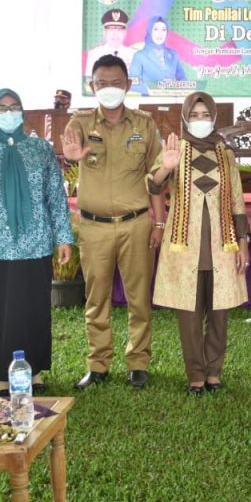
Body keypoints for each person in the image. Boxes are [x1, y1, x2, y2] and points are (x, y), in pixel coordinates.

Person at [0, 88, 73, 397]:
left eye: (15, 106)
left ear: (23, 111)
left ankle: (33, 373)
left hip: (34, 241)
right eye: (3, 107)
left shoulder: (40, 149)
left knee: (33, 308)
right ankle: (0, 377)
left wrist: (63, 236)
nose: (9, 112)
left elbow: (55, 196)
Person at [62, 55, 166, 390]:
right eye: (102, 83)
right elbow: (69, 154)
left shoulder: (144, 125)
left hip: (136, 223)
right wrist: (71, 158)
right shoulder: (78, 124)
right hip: (93, 227)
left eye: (116, 82)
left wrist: (159, 223)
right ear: (92, 86)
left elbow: (156, 177)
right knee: (96, 299)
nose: (109, 88)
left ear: (128, 84)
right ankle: (98, 364)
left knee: (138, 298)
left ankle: (138, 362)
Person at [147, 92, 250, 394]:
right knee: (189, 315)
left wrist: (243, 242)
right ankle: (195, 375)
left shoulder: (225, 154)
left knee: (219, 312)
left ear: (215, 118)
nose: (201, 121)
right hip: (185, 246)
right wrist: (167, 166)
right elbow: (153, 184)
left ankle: (214, 373)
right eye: (195, 115)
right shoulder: (174, 149)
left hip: (222, 246)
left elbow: (237, 201)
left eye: (206, 116)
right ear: (185, 118)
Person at [130, 16, 187, 95]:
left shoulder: (173, 54)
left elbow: (184, 79)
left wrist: (174, 86)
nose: (160, 34)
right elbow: (133, 84)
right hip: (149, 103)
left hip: (173, 101)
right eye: (156, 29)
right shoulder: (139, 56)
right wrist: (157, 87)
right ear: (150, 31)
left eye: (163, 30)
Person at [83, 9, 135, 77]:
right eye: (111, 29)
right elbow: (88, 82)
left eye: (119, 29)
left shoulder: (134, 54)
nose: (115, 33)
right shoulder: (94, 54)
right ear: (104, 32)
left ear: (125, 32)